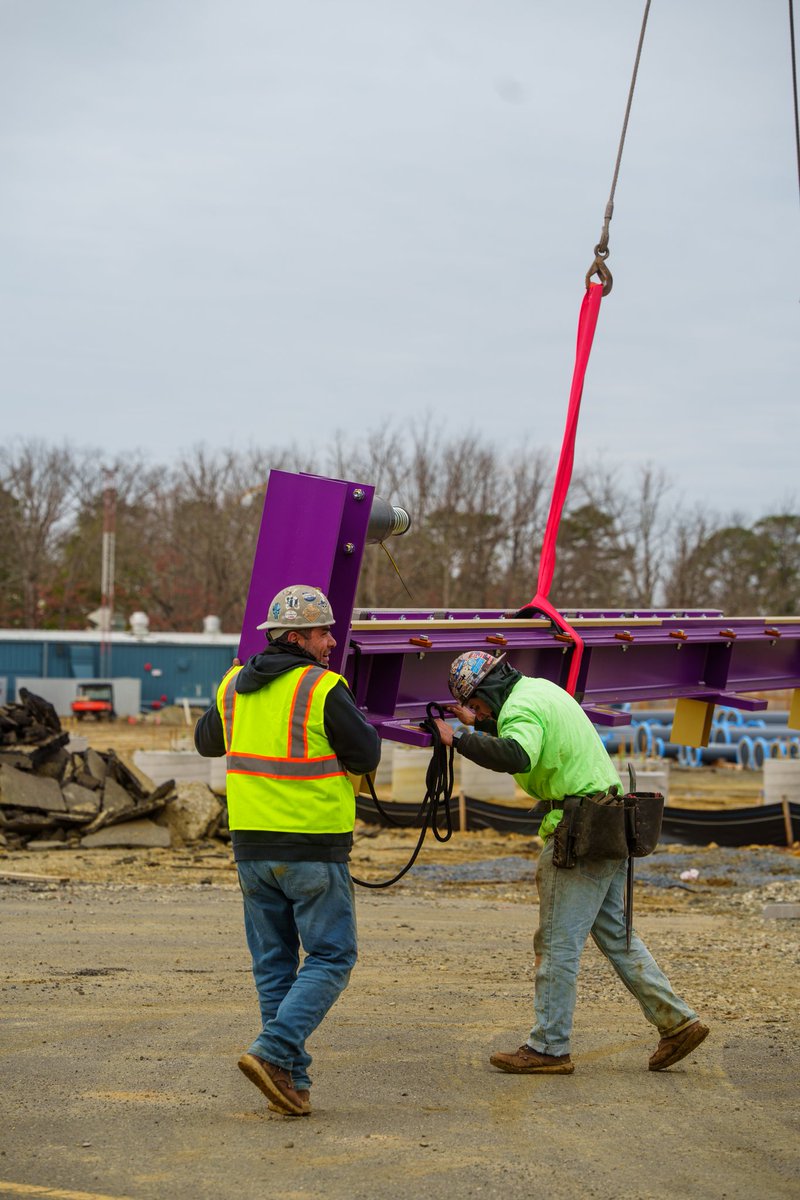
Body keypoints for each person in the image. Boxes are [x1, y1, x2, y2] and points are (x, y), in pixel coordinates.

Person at [433, 650, 709, 1076]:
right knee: (617, 935)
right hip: (609, 821)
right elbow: (531, 736)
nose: (478, 712)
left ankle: (548, 1046)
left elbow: (518, 754)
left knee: (557, 944)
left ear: (485, 691)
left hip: (579, 828)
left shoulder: (520, 707)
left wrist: (460, 739)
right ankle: (677, 1023)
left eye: (477, 705)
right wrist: (481, 724)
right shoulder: (540, 691)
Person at [195, 585, 380, 1116]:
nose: (331, 642)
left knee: (275, 962)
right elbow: (365, 752)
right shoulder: (321, 687)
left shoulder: (234, 684)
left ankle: (289, 1080)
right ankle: (274, 1050)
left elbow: (207, 741)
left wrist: (230, 688)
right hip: (311, 846)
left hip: (251, 847)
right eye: (323, 633)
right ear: (297, 637)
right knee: (332, 955)